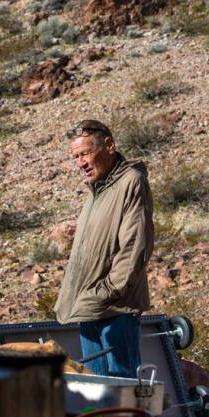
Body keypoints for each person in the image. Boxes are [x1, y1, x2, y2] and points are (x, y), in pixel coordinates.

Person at [54, 119, 154, 378]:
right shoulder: (95, 191)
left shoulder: (131, 181)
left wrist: (107, 292)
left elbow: (135, 246)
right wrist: (86, 298)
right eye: (76, 157)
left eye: (85, 154)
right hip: (88, 307)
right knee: (94, 393)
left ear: (108, 145)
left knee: (121, 391)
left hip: (115, 309)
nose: (80, 163)